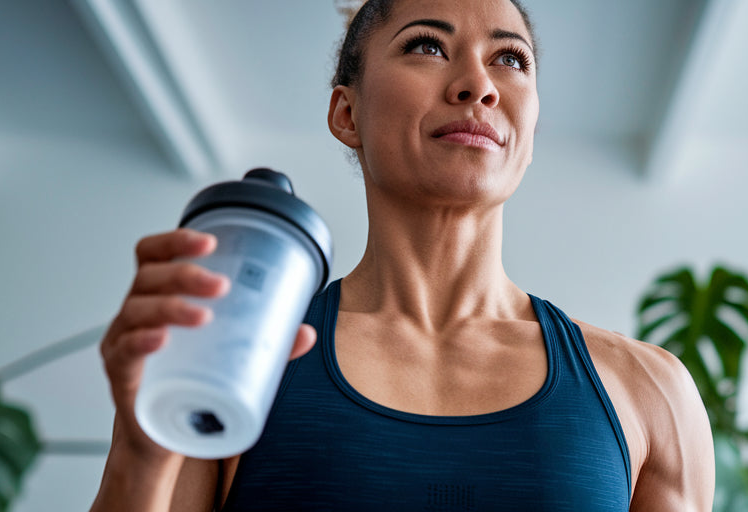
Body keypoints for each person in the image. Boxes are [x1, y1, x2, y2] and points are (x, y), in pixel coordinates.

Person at [90, 0, 714, 509]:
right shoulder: (233, 361)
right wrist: (143, 450)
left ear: (530, 134)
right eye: (428, 46)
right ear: (346, 111)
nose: (479, 85)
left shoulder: (649, 391)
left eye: (510, 59)